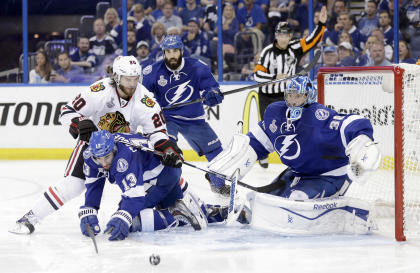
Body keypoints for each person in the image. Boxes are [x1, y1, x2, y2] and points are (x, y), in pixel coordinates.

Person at [11, 55, 183, 235]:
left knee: (156, 172)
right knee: (74, 184)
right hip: (94, 144)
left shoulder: (145, 100)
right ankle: (31, 217)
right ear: (116, 77)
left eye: (135, 79)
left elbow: (157, 133)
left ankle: (184, 204)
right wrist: (79, 123)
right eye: (127, 79)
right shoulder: (99, 90)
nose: (132, 84)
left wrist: (167, 148)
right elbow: (67, 111)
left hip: (122, 150)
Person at [208, 75, 381, 234]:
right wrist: (234, 161)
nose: (292, 101)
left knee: (296, 199)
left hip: (329, 176)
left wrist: (362, 140)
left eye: (298, 96)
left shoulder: (319, 117)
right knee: (262, 200)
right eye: (289, 95)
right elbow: (257, 141)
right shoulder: (276, 113)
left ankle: (348, 214)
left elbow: (351, 123)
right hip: (297, 174)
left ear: (309, 96)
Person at [141, 35, 229, 196]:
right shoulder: (152, 72)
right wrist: (151, 106)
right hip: (167, 119)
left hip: (193, 119)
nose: (172, 55)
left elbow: (212, 88)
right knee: (167, 152)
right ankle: (168, 190)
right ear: (163, 53)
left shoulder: (197, 67)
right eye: (168, 52)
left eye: (175, 51)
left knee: (217, 154)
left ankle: (218, 185)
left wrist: (212, 95)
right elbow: (142, 98)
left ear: (181, 51)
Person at [80, 130, 206, 240]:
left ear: (113, 149)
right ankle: (211, 212)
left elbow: (135, 197)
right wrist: (89, 209)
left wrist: (124, 217)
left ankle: (173, 217)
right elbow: (94, 184)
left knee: (132, 221)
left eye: (107, 157)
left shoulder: (123, 158)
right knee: (125, 210)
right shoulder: (91, 155)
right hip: (159, 175)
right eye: (98, 158)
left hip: (162, 177)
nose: (103, 163)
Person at [253, 5, 327, 168]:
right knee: (268, 125)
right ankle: (263, 153)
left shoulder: (295, 47)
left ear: (290, 36)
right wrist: (274, 77)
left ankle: (294, 153)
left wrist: (321, 25)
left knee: (292, 123)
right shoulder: (267, 52)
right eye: (280, 35)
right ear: (276, 35)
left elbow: (312, 41)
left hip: (288, 95)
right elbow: (257, 75)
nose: (283, 38)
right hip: (267, 95)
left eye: (286, 35)